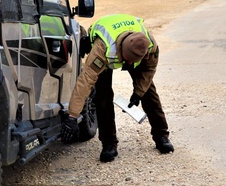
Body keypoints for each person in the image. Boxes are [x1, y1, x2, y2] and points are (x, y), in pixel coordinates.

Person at [63, 14, 173, 162]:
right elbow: (85, 81)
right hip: (106, 53)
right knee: (103, 97)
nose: (127, 64)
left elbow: (149, 70)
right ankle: (109, 144)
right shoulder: (102, 48)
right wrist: (72, 116)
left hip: (131, 49)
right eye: (126, 61)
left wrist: (138, 92)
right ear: (122, 52)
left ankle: (161, 136)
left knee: (149, 93)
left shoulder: (149, 45)